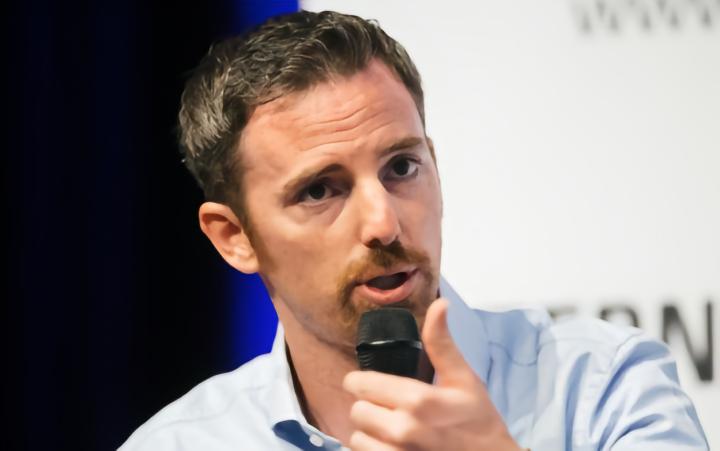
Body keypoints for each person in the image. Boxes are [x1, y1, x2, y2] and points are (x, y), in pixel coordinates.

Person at [121, 10, 708, 451]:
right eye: (320, 190)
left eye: (401, 168)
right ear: (234, 237)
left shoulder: (604, 389)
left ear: (435, 165)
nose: (383, 222)